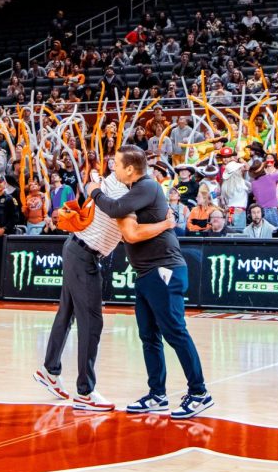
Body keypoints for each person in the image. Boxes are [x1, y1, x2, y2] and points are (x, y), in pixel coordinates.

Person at [35, 163, 176, 413]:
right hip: (84, 255)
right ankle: (85, 392)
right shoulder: (122, 194)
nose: (152, 179)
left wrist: (94, 186)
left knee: (66, 313)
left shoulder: (111, 183)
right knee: (91, 323)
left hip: (75, 249)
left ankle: (50, 370)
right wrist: (164, 225)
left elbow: (97, 187)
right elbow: (131, 234)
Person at [88, 145, 212, 420]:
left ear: (130, 169)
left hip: (164, 269)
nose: (113, 168)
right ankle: (157, 394)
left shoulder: (148, 186)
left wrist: (94, 190)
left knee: (175, 332)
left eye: (117, 164)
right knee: (149, 336)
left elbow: (114, 208)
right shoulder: (136, 190)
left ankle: (200, 392)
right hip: (147, 273)